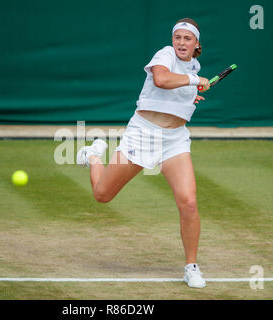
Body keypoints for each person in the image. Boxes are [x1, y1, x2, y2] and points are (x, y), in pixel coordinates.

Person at [76, 18, 209, 288]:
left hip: (175, 140)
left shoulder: (194, 66)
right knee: (102, 195)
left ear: (197, 44)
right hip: (142, 134)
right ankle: (93, 155)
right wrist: (194, 81)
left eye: (187, 39)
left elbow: (176, 92)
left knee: (189, 203)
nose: (181, 43)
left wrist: (190, 94)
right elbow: (160, 79)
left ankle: (191, 267)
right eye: (178, 37)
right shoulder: (165, 54)